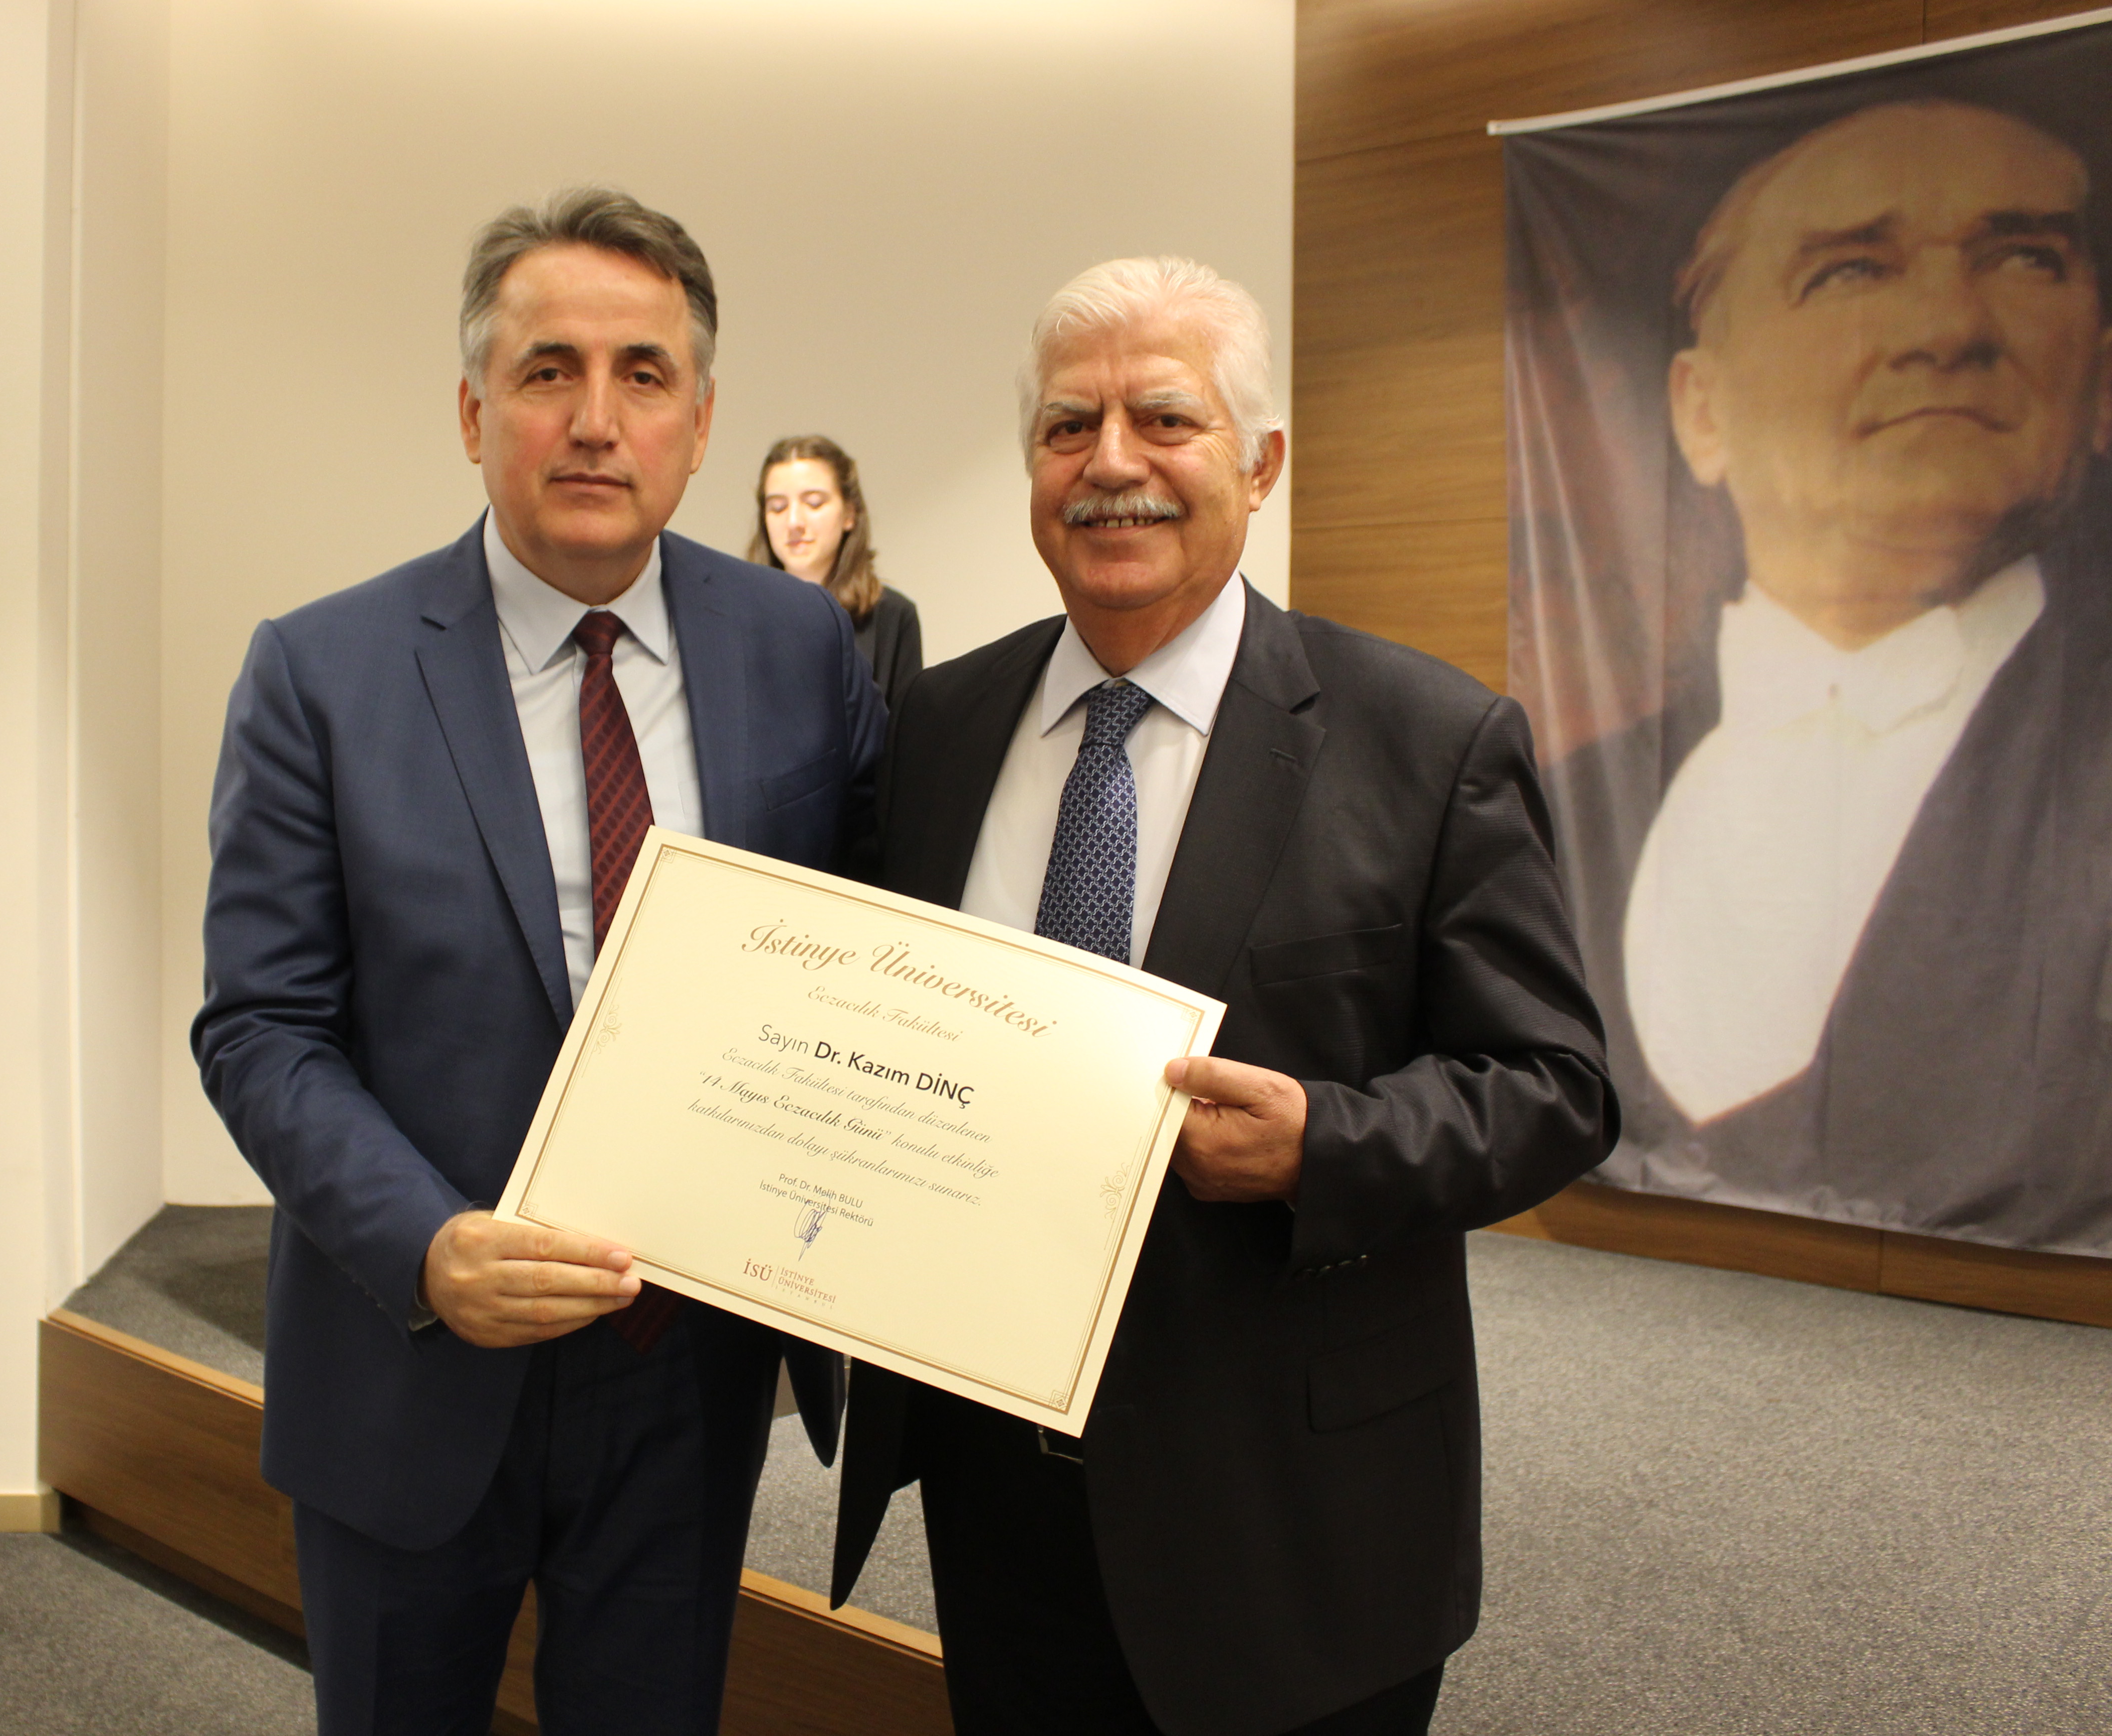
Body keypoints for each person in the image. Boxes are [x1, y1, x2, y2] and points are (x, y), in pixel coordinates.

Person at [828, 255, 1616, 1736]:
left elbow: (1556, 1087)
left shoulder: (1427, 740)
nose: (1110, 462)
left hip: (1293, 1512)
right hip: (998, 1497)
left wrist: (1325, 1143)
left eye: (1165, 419)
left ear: (1259, 464)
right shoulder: (942, 722)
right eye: (1068, 426)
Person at [192, 187, 884, 1735]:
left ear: (701, 424)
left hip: (688, 1362)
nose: (594, 420)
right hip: (414, 1357)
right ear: (471, 412)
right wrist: (429, 1247)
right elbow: (262, 1031)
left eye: (643, 375)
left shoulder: (796, 650)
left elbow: (868, 955)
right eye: (546, 371)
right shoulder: (320, 672)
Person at [1558, 98, 2112, 1253]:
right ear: (1700, 411)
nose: (1946, 329)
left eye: (2022, 258)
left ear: (2101, 379)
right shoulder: (1560, 803)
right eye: (1851, 271)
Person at [747, 434, 924, 707]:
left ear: (849, 514)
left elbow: (906, 728)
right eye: (778, 508)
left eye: (814, 503)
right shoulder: (738, 615)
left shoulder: (893, 617)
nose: (794, 522)